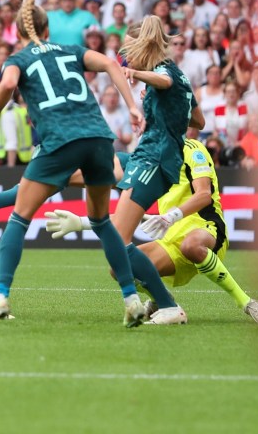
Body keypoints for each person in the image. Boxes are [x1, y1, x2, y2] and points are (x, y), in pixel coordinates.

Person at [0, 0, 148, 331]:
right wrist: (133, 107)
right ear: (47, 28)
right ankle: (131, 299)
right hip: (97, 139)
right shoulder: (71, 50)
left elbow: (7, 84)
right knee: (101, 221)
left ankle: (1, 297)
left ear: (17, 32)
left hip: (59, 140)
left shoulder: (18, 59)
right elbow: (110, 63)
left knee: (20, 218)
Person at [0, 143, 258, 323]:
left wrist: (174, 214)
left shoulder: (193, 150)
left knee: (192, 244)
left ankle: (246, 302)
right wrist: (81, 222)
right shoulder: (147, 159)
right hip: (170, 237)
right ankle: (165, 305)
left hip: (203, 227)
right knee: (117, 265)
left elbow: (203, 195)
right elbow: (130, 216)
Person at [108, 17, 207, 324]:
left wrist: (136, 74)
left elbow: (163, 81)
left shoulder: (164, 72)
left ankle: (167, 305)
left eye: (130, 51)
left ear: (143, 46)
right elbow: (198, 121)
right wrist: (163, 107)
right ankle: (10, 199)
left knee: (119, 241)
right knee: (93, 168)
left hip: (154, 161)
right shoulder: (179, 78)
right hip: (151, 159)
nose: (128, 57)